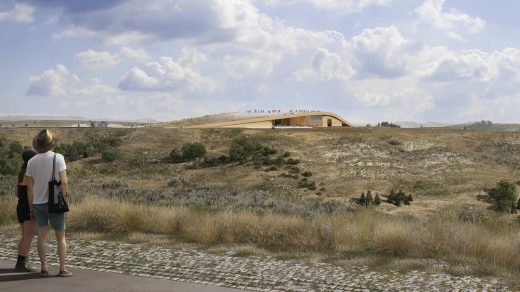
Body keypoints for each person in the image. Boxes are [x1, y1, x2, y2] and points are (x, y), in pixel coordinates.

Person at [26, 129, 73, 277]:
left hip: (38, 203)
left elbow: (29, 187)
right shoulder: (58, 157)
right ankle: (62, 268)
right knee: (61, 237)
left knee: (41, 236)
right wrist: (62, 197)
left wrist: (30, 207)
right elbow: (64, 182)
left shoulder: (31, 161)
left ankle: (44, 268)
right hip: (54, 201)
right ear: (51, 143)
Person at [14, 148, 38, 272]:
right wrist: (31, 209)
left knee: (24, 236)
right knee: (28, 237)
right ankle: (23, 263)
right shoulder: (30, 173)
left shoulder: (21, 172)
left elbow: (17, 192)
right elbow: (30, 191)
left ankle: (19, 262)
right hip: (27, 207)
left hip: (20, 206)